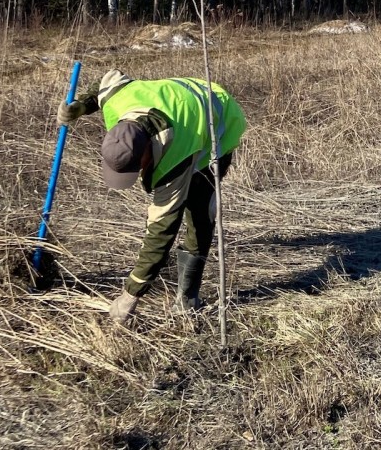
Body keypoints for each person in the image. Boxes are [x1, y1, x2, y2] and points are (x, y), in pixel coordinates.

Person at [58, 70, 247, 324]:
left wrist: (130, 295)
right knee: (183, 210)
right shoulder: (119, 100)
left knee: (199, 213)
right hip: (180, 102)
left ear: (149, 150)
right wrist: (81, 105)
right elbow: (108, 83)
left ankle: (187, 299)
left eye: (137, 167)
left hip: (216, 120)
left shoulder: (175, 156)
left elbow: (162, 230)